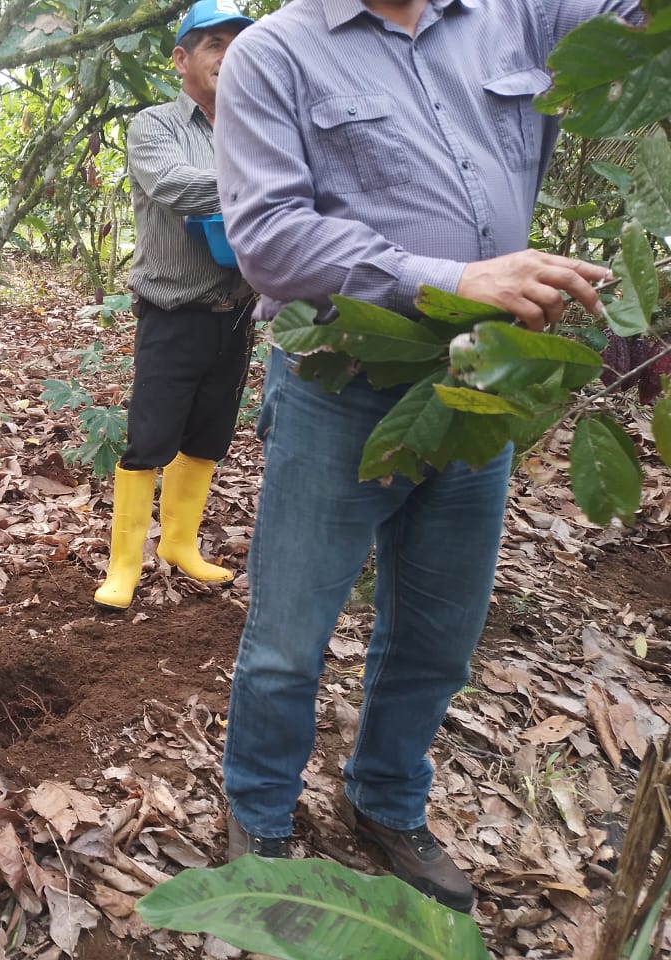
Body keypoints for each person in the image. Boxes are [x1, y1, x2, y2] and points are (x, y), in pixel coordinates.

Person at [214, 0, 641, 912]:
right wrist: (452, 279)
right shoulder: (274, 53)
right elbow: (271, 240)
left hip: (482, 380)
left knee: (440, 635)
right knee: (289, 637)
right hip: (339, 380)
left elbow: (634, 25)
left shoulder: (517, 15)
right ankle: (259, 808)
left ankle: (385, 800)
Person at [94, 0, 256, 611]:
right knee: (150, 437)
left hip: (237, 313)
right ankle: (124, 564)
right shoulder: (155, 125)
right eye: (214, 44)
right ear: (182, 58)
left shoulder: (257, 124)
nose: (228, 56)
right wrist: (262, 183)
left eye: (238, 44)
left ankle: (180, 543)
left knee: (210, 434)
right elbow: (174, 185)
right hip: (173, 311)